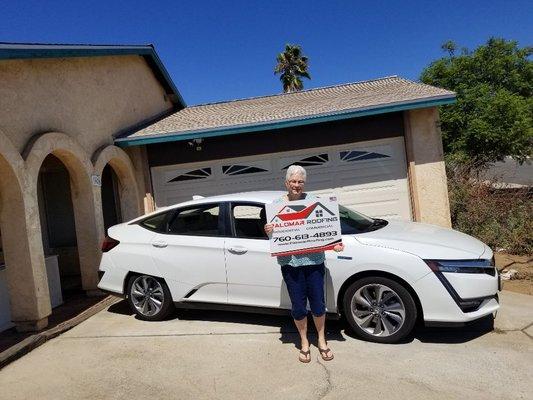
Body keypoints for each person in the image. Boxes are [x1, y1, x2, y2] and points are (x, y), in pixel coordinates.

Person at [265, 165, 344, 363]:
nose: (297, 185)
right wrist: (270, 231)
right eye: (293, 181)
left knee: (318, 304)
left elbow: (326, 228)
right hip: (290, 264)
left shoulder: (315, 201)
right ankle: (304, 342)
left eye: (300, 182)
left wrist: (333, 243)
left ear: (304, 183)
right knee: (299, 307)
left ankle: (322, 340)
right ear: (286, 183)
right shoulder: (276, 205)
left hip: (314, 262)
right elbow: (275, 237)